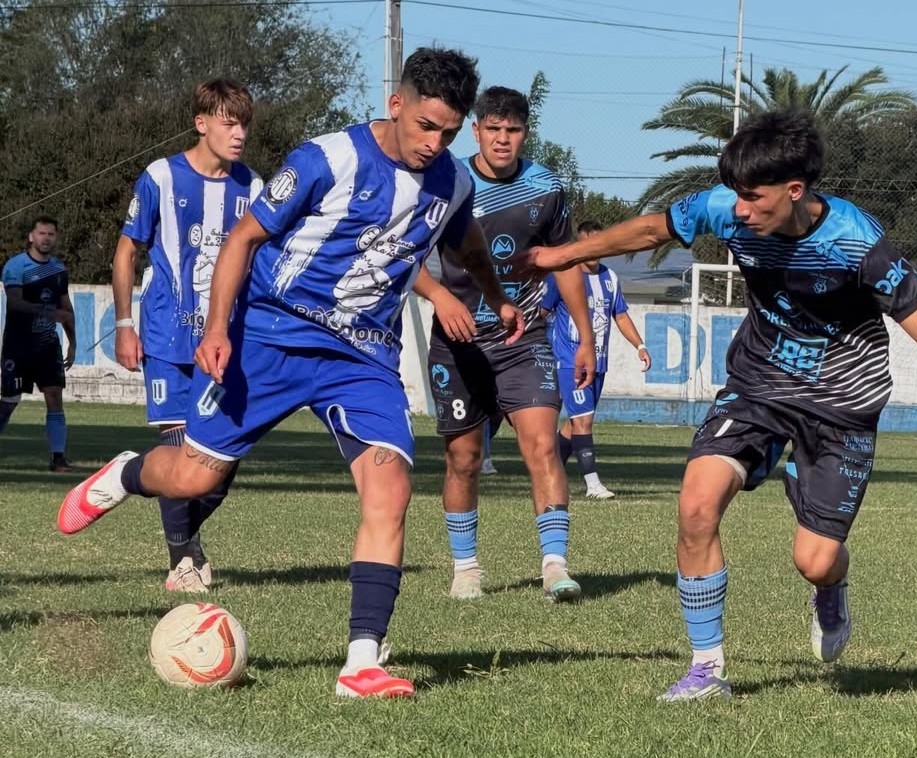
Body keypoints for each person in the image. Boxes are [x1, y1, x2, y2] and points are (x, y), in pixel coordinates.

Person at [57, 47, 522, 699]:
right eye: (425, 126)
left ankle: (361, 662)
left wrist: (495, 295)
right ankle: (126, 473)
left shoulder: (453, 184)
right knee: (192, 476)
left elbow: (464, 241)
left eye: (447, 133)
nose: (433, 144)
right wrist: (217, 329)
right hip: (271, 335)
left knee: (390, 487)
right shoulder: (327, 159)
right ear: (397, 104)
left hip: (362, 357)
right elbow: (243, 239)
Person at [529, 110, 917, 701]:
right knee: (696, 505)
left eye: (753, 197)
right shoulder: (726, 208)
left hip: (842, 405)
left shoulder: (857, 242)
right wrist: (563, 255)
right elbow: (649, 231)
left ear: (794, 190)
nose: (739, 210)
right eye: (736, 195)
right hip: (759, 386)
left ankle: (830, 589)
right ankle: (706, 669)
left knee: (815, 560)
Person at [414, 86, 596, 603]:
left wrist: (584, 336)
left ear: (524, 134)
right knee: (464, 458)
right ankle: (466, 569)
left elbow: (565, 264)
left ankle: (555, 566)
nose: (502, 139)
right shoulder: (446, 181)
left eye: (512, 130)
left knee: (542, 444)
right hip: (458, 340)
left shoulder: (547, 187)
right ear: (475, 131)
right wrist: (440, 298)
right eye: (492, 129)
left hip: (525, 337)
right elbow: (405, 255)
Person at [113, 79, 263, 593]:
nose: (239, 134)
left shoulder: (254, 187)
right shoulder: (160, 176)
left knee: (219, 467)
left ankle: (139, 477)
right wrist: (124, 325)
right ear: (201, 124)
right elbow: (127, 252)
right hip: (166, 339)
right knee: (181, 452)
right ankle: (183, 560)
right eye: (228, 123)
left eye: (244, 124)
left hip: (224, 344)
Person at [542, 220, 651, 499]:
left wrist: (640, 345)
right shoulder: (563, 276)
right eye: (587, 244)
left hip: (599, 363)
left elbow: (621, 315)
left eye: (597, 244)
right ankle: (593, 485)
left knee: (574, 424)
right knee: (583, 422)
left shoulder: (610, 278)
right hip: (570, 361)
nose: (593, 250)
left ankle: (547, 474)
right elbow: (541, 313)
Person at [0, 215, 76, 471]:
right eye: (42, 233)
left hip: (47, 346)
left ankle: (58, 458)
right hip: (18, 345)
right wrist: (48, 313)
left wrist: (73, 342)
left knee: (54, 397)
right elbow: (14, 302)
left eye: (51, 234)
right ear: (31, 237)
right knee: (10, 399)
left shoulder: (58, 270)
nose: (46, 238)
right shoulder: (16, 266)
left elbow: (66, 308)